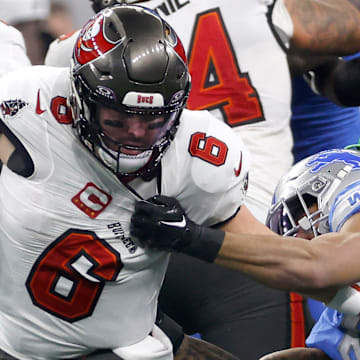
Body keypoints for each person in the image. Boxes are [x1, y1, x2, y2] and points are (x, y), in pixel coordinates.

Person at [44, 0, 360, 357]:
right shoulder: (247, 7)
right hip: (251, 241)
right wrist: (320, 72)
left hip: (121, 241)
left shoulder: (70, 50)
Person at [0, 5, 247, 359]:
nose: (135, 134)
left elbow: (278, 259)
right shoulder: (26, 106)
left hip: (123, 330)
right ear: (80, 98)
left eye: (153, 120)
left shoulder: (200, 155)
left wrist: (193, 237)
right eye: (118, 118)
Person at [130, 147, 360, 360]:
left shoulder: (351, 202)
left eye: (299, 215)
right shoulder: (338, 315)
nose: (298, 238)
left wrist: (191, 237)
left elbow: (320, 265)